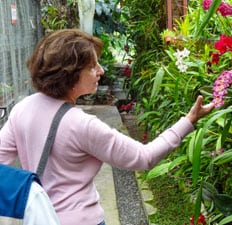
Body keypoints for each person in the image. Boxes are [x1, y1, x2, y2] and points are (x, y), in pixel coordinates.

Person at [0, 29, 214, 225]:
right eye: (92, 67)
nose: (101, 71)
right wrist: (187, 122)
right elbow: (144, 157)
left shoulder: (22, 109)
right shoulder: (82, 124)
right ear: (70, 74)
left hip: (39, 219)